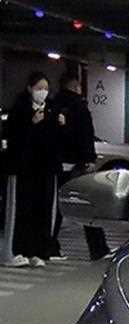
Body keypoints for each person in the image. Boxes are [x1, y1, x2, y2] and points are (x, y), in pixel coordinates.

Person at [2, 72, 63, 269]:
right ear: (30, 89)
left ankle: (37, 251)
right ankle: (15, 251)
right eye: (39, 88)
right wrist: (31, 124)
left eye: (45, 88)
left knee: (42, 210)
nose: (42, 92)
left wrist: (59, 124)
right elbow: (13, 137)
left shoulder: (52, 109)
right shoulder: (19, 109)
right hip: (23, 169)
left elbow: (56, 139)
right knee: (21, 210)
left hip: (45, 168)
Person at [52, 73, 110, 260]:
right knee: (87, 204)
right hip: (78, 162)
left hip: (58, 162)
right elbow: (85, 135)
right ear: (76, 87)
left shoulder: (53, 105)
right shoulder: (79, 106)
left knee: (54, 206)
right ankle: (98, 249)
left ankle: (50, 246)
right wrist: (89, 159)